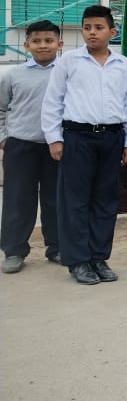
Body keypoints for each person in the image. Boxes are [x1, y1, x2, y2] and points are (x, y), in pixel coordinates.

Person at [41, 5, 127, 285]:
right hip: (78, 137)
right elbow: (53, 100)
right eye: (87, 28)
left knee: (105, 200)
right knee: (75, 201)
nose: (92, 33)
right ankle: (78, 260)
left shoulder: (123, 65)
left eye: (99, 27)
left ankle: (98, 257)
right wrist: (54, 138)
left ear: (112, 31)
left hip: (112, 138)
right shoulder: (69, 61)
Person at [0, 20, 62, 274]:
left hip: (56, 147)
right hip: (20, 146)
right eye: (36, 41)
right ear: (26, 45)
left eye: (49, 40)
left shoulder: (67, 73)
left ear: (59, 44)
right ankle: (14, 250)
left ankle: (57, 247)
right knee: (18, 200)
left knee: (56, 199)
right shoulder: (12, 75)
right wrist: (4, 138)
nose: (43, 45)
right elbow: (1, 108)